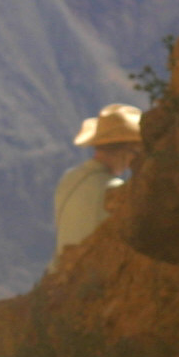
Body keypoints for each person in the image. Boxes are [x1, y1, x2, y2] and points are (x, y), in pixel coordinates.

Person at [54, 103, 144, 261]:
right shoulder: (113, 191)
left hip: (62, 269)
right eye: (136, 152)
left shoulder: (69, 178)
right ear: (125, 150)